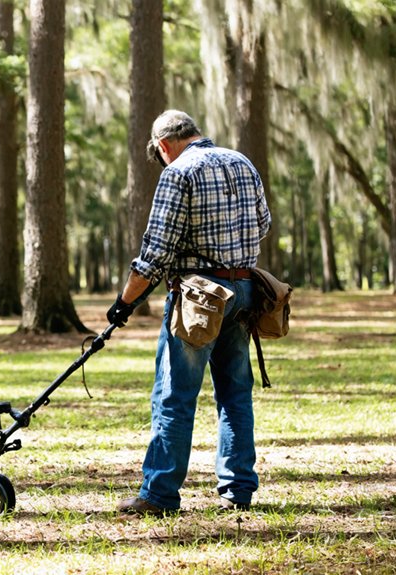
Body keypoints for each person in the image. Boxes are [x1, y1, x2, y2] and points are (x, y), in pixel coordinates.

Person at [106, 110, 272, 515]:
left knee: (174, 396)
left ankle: (159, 494)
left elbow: (155, 253)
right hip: (243, 290)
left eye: (158, 154)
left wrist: (125, 302)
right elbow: (263, 223)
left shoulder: (179, 172)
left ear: (163, 145)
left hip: (198, 300)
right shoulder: (242, 162)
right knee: (235, 393)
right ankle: (238, 490)